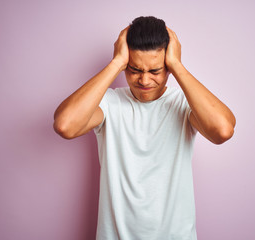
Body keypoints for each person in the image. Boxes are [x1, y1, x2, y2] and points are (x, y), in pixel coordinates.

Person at [53, 16, 236, 240]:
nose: (144, 80)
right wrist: (116, 63)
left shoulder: (184, 104)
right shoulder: (109, 103)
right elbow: (64, 125)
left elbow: (223, 130)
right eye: (134, 69)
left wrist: (178, 65)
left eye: (155, 71)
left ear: (168, 67)